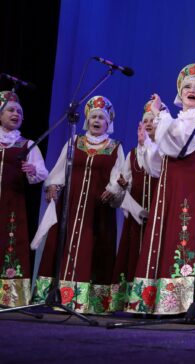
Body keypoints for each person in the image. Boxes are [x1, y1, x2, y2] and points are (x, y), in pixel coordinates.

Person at [125, 63, 195, 316]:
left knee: (185, 233)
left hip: (189, 187)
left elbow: (178, 145)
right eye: (187, 87)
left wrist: (159, 114)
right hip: (169, 187)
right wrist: (149, 141)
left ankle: (189, 301)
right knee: (166, 233)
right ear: (180, 93)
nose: (192, 90)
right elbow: (155, 165)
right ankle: (158, 300)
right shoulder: (177, 118)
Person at [33, 95, 125, 314]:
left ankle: (90, 302)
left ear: (108, 122)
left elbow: (119, 175)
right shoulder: (74, 142)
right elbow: (58, 170)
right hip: (70, 207)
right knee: (62, 246)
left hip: (98, 211)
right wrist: (53, 186)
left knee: (95, 250)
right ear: (86, 119)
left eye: (101, 118)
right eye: (93, 116)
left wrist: (112, 191)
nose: (96, 120)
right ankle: (56, 296)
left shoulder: (114, 147)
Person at [109, 100, 163, 312]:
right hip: (136, 212)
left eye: (152, 121)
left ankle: (153, 300)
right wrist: (124, 185)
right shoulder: (132, 154)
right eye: (144, 122)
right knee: (133, 253)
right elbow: (127, 179)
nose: (148, 124)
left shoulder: (161, 151)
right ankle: (130, 299)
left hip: (156, 212)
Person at [0, 91, 48, 307]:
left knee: (10, 245)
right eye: (10, 110)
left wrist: (31, 169)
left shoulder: (27, 144)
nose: (15, 114)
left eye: (19, 111)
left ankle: (10, 296)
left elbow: (41, 173)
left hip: (12, 205)